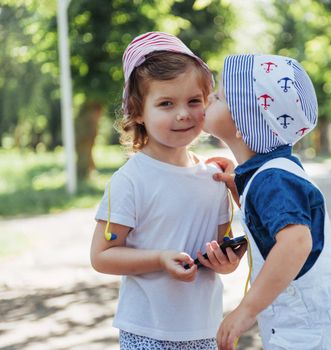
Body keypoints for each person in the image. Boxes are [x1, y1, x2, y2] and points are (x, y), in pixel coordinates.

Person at [90, 32, 245, 350]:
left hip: (204, 328)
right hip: (147, 330)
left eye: (194, 101)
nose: (183, 114)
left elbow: (222, 253)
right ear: (137, 111)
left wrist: (226, 262)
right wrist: (160, 259)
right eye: (165, 103)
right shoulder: (130, 180)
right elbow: (102, 256)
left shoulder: (215, 178)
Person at [203, 54, 331, 350]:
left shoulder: (272, 181)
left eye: (218, 97)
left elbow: (296, 243)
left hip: (312, 336)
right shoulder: (274, 173)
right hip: (315, 330)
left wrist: (247, 310)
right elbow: (273, 220)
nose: (209, 98)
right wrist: (238, 189)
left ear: (244, 122)